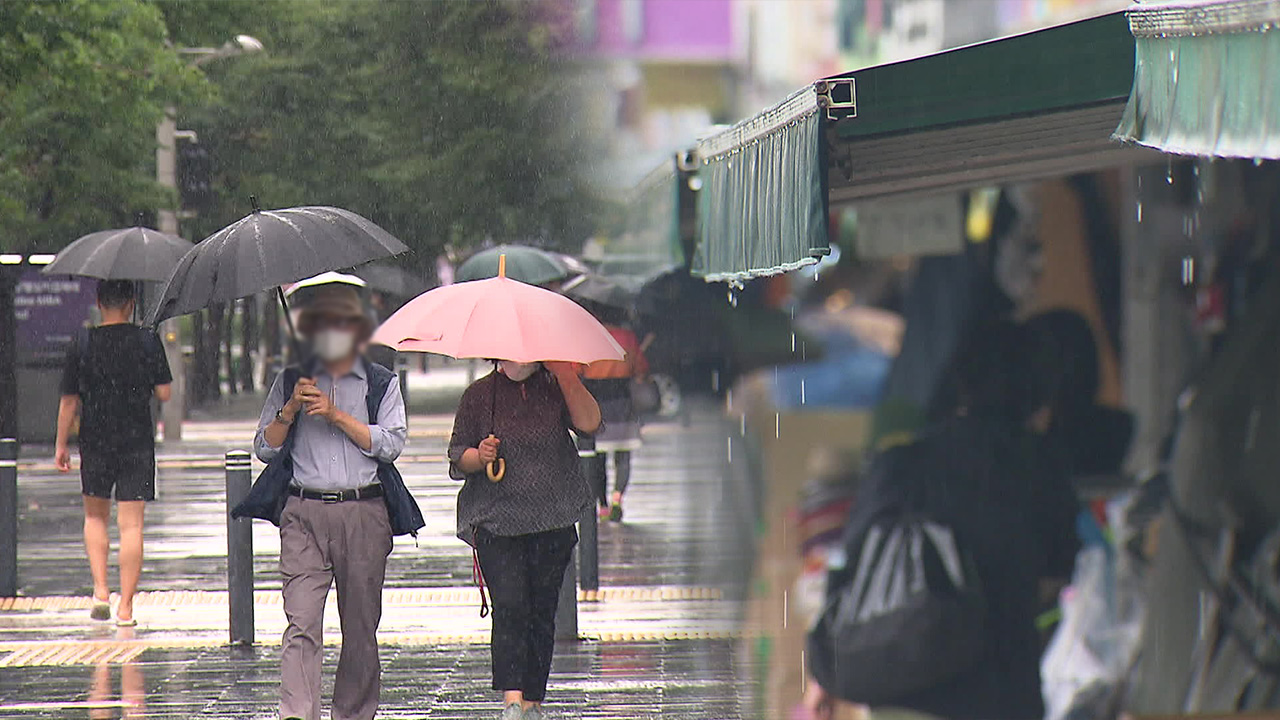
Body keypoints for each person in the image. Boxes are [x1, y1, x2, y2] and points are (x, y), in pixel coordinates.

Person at [805, 318, 1080, 720]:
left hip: (904, 696)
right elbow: (1059, 574)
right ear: (1039, 396)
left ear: (959, 384)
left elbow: (850, 574)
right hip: (1001, 698)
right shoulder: (1042, 468)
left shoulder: (899, 464)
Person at [253, 284, 409, 720]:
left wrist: (337, 415)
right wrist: (289, 411)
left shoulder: (380, 382)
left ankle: (353, 712)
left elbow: (392, 442)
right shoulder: (291, 381)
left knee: (360, 628)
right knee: (301, 622)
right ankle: (298, 713)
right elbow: (264, 448)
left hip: (363, 512)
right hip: (303, 513)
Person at [448, 359, 601, 720]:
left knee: (542, 611)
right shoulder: (479, 395)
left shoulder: (554, 386)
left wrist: (565, 374)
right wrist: (479, 456)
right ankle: (512, 700)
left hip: (552, 521)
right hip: (496, 523)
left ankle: (534, 699)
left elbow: (590, 423)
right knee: (512, 606)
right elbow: (458, 457)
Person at [55, 279, 172, 626]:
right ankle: (126, 610)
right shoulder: (147, 340)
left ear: (99, 301)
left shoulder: (83, 341)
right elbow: (164, 394)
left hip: (96, 438)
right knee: (131, 525)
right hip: (136, 438)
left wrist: (61, 444)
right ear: (131, 302)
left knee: (95, 517)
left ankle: (101, 592)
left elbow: (68, 401)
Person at [579, 312, 650, 521]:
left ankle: (602, 506)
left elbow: (575, 369)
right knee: (623, 453)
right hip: (622, 402)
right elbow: (641, 368)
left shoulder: (588, 336)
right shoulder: (627, 337)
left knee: (597, 458)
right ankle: (618, 497)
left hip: (595, 404)